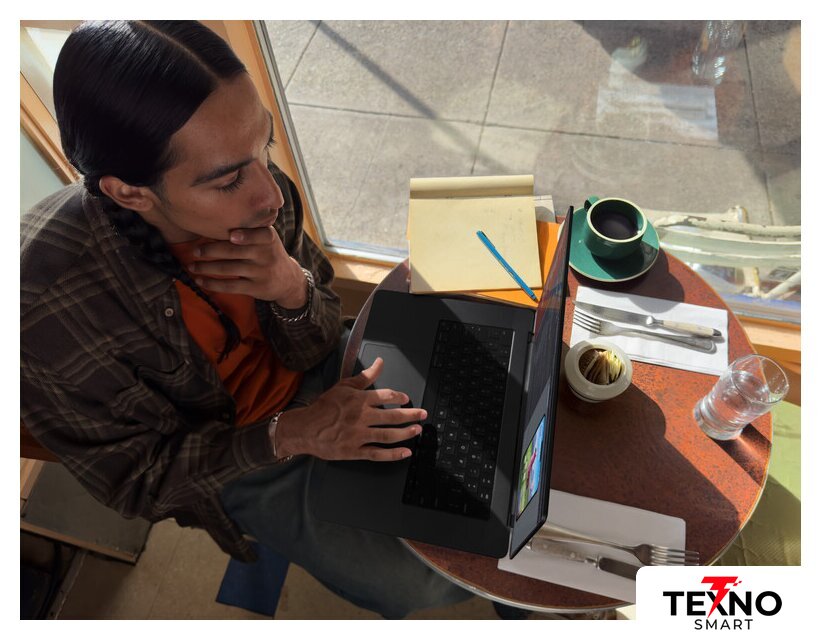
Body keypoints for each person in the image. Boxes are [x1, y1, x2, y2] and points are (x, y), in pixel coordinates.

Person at [20, 20, 472, 619]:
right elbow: (139, 482)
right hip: (236, 450)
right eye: (230, 178)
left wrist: (291, 289)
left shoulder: (255, 191)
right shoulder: (46, 311)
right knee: (420, 583)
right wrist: (296, 433)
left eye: (264, 148)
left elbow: (318, 340)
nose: (271, 196)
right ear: (130, 193)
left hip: (318, 376)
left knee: (475, 460)